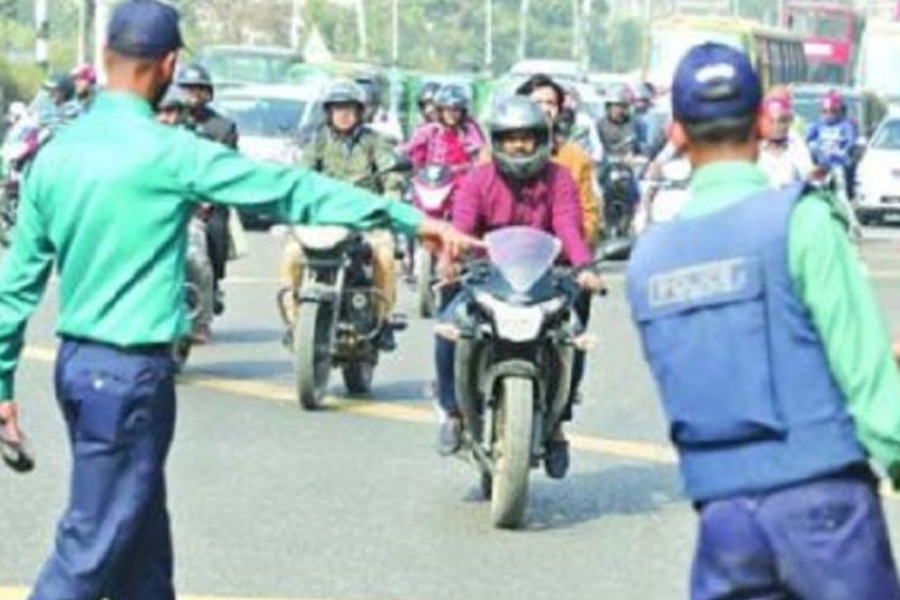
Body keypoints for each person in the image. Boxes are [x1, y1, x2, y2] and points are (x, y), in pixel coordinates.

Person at [0, 2, 470, 597]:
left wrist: (1, 385)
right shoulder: (171, 152)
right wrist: (406, 218)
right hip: (129, 377)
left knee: (143, 544)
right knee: (89, 548)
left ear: (105, 59)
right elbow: (288, 189)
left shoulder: (55, 155)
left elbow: (14, 288)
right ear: (168, 64)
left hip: (76, 369)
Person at [627, 42, 900, 600]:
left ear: (676, 132)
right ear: (761, 119)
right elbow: (869, 385)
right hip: (828, 516)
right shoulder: (802, 224)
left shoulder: (648, 261)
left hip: (725, 523)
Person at [434, 96, 602, 480]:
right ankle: (454, 412)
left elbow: (568, 225)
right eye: (510, 139)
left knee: (572, 334)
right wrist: (452, 254)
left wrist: (583, 267)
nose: (520, 146)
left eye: (527, 137)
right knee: (450, 327)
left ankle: (558, 424)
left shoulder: (559, 177)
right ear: (497, 142)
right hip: (488, 276)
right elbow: (461, 225)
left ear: (542, 138)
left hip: (544, 279)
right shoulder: (479, 178)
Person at [281, 79, 405, 349]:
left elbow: (392, 175)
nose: (343, 114)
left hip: (366, 219)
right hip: (324, 219)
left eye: (349, 108)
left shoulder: (375, 142)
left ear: (361, 112)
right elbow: (302, 176)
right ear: (328, 112)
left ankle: (382, 320)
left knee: (384, 253)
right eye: (337, 108)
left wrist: (389, 199)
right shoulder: (318, 142)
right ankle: (294, 322)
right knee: (291, 253)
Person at [176, 62, 237, 318]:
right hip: (170, 198)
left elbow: (225, 168)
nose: (193, 94)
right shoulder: (164, 121)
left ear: (208, 93)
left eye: (199, 89)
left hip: (208, 200)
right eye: (187, 88)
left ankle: (213, 285)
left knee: (215, 230)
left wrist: (206, 202)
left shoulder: (222, 127)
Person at [516, 73, 601, 247]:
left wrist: (570, 246)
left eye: (551, 103)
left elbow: (589, 216)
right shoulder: (492, 155)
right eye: (537, 103)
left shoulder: (576, 159)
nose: (546, 109)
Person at [400, 82, 487, 176]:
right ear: (441, 111)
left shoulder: (468, 129)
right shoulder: (430, 129)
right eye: (447, 109)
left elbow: (479, 152)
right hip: (432, 180)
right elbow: (411, 146)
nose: (451, 114)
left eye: (456, 109)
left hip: (462, 181)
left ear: (462, 111)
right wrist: (396, 153)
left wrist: (467, 165)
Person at [597, 87, 642, 232]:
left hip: (627, 168)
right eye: (616, 106)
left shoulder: (634, 124)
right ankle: (601, 222)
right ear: (609, 107)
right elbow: (593, 146)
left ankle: (633, 222)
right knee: (596, 191)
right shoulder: (599, 125)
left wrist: (636, 156)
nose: (620, 110)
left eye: (623, 106)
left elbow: (642, 146)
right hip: (605, 166)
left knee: (637, 192)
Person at [758, 91, 814, 189]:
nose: (776, 126)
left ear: (789, 122)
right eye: (771, 121)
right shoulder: (755, 146)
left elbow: (808, 175)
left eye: (781, 121)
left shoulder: (796, 145)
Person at [805, 90, 856, 198]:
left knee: (842, 191)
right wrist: (813, 147)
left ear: (838, 111)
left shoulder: (845, 125)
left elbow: (850, 141)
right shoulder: (817, 125)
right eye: (825, 111)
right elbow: (807, 139)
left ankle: (846, 202)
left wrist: (844, 151)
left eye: (832, 111)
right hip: (821, 165)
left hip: (839, 165)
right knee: (815, 189)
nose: (828, 114)